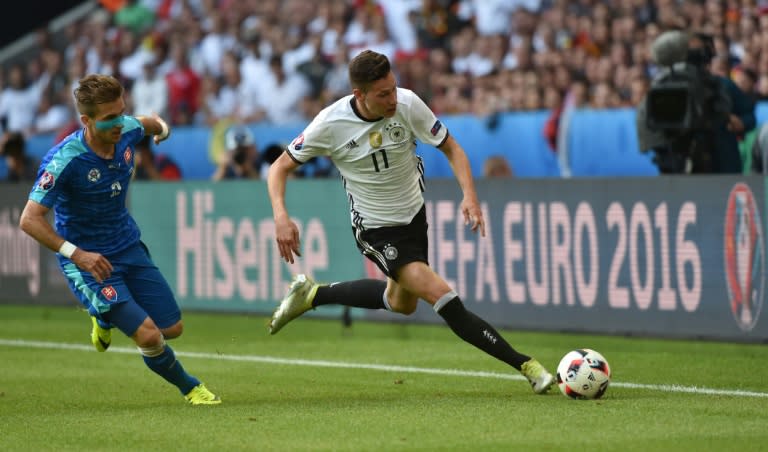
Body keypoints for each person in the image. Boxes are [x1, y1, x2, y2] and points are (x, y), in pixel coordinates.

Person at [266, 50, 554, 394]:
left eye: (393, 88)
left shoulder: (408, 104)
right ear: (359, 95)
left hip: (414, 217)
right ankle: (527, 365)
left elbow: (452, 149)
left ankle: (313, 294)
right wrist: (281, 217)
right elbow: (279, 167)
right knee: (442, 296)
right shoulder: (330, 124)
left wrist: (470, 196)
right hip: (375, 226)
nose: (392, 98)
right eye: (383, 94)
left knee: (401, 303)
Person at [18, 74, 219, 405]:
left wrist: (163, 132)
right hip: (88, 262)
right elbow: (29, 219)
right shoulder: (65, 160)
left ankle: (102, 316)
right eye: (109, 118)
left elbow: (151, 123)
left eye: (121, 112)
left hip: (127, 246)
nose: (119, 123)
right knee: (149, 335)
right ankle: (191, 387)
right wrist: (77, 254)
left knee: (173, 328)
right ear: (87, 120)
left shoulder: (126, 128)